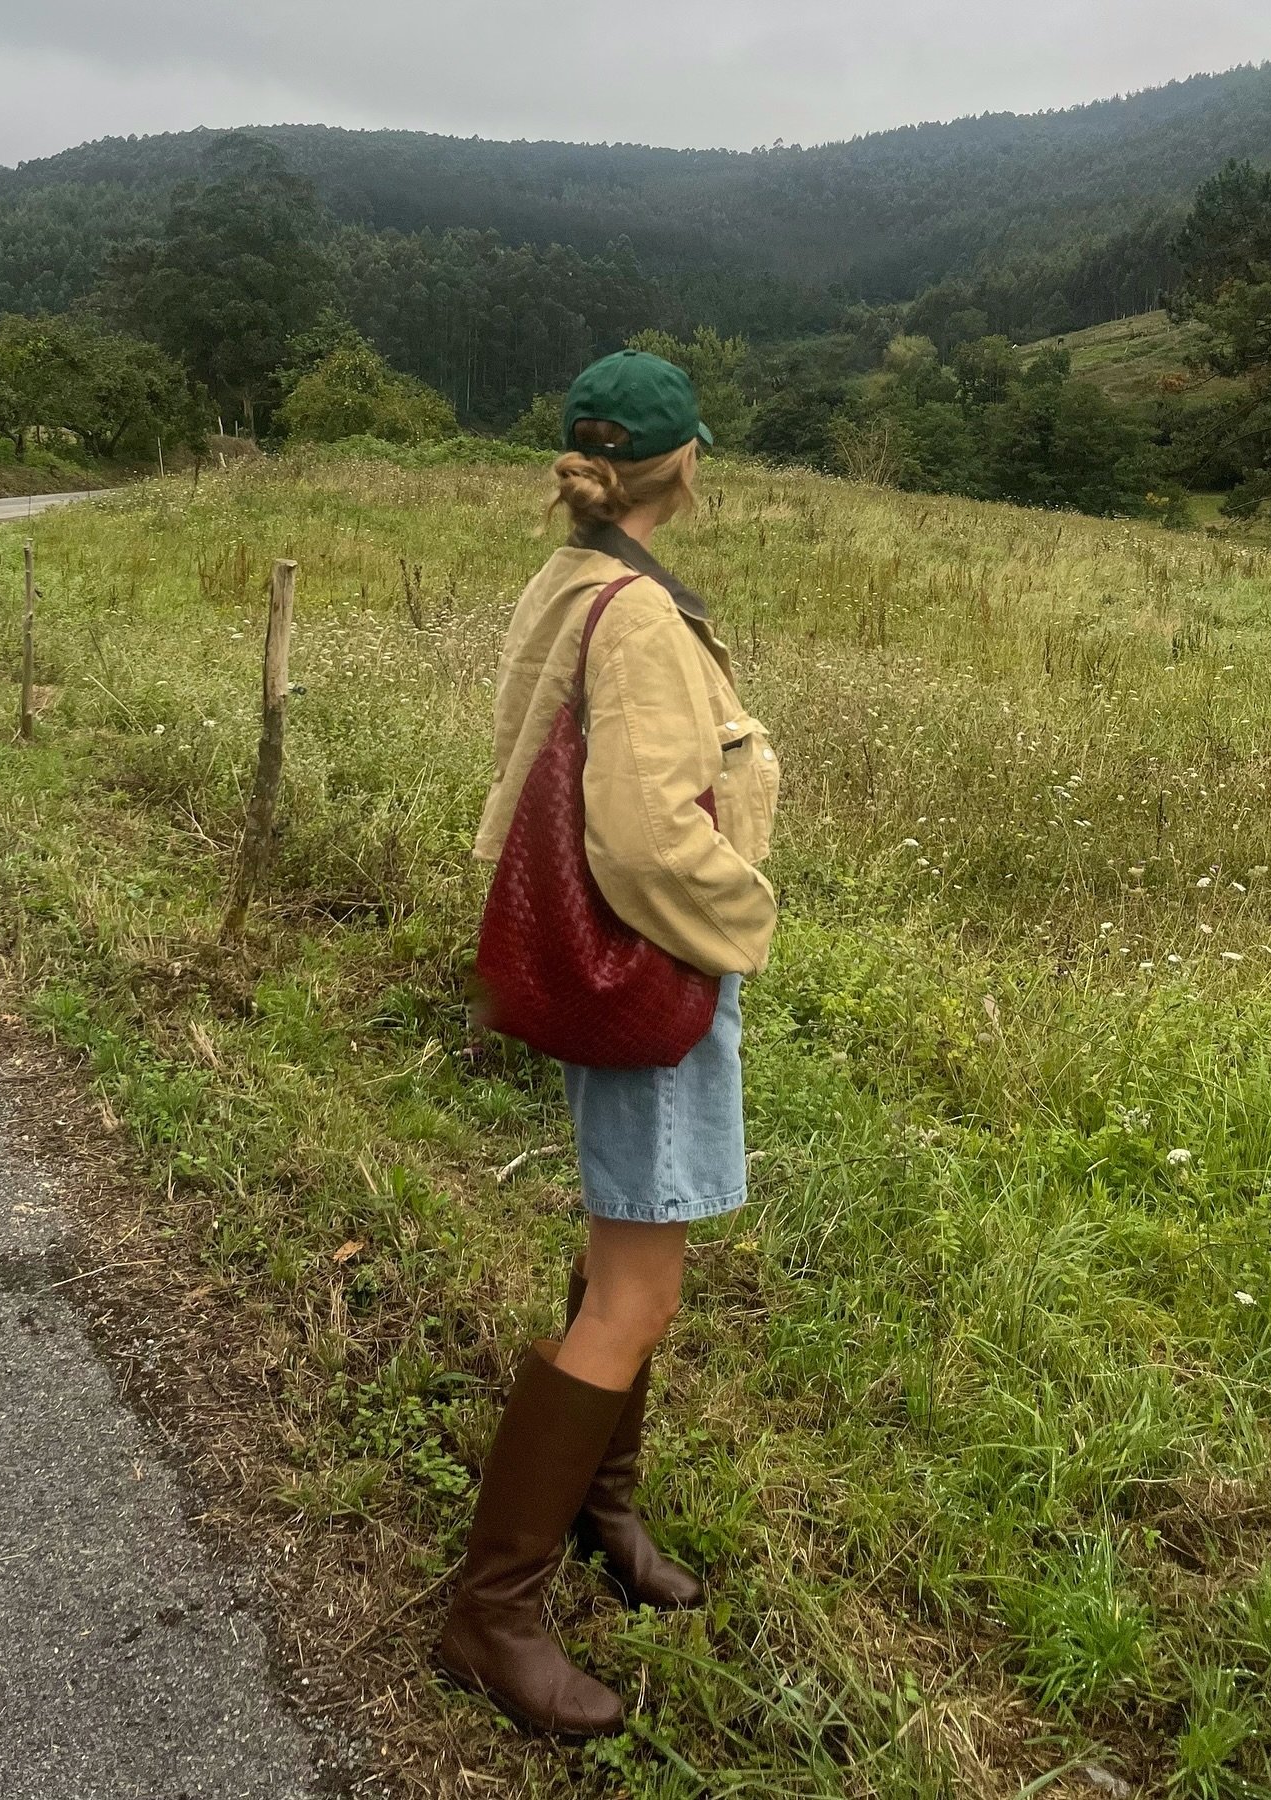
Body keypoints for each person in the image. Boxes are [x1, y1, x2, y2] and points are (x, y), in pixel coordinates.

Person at [437, 350, 780, 1736]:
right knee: (637, 1291)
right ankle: (491, 1611)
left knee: (619, 1258)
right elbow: (642, 835)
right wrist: (741, 910)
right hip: (654, 966)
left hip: (609, 961)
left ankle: (602, 1514)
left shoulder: (572, 576)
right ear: (685, 463)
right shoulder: (636, 612)